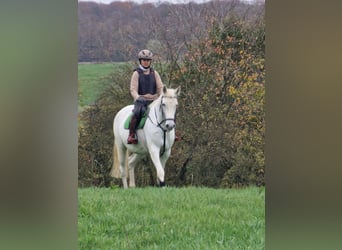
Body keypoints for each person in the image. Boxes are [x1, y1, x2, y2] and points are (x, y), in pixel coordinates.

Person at [127, 49, 181, 144]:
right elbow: (133, 89)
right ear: (140, 61)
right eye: (144, 60)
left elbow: (160, 87)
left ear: (150, 61)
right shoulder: (136, 73)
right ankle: (131, 135)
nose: (146, 62)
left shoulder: (154, 73)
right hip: (141, 101)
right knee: (136, 113)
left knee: (170, 110)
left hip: (154, 100)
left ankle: (173, 132)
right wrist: (138, 97)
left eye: (148, 60)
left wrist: (160, 96)